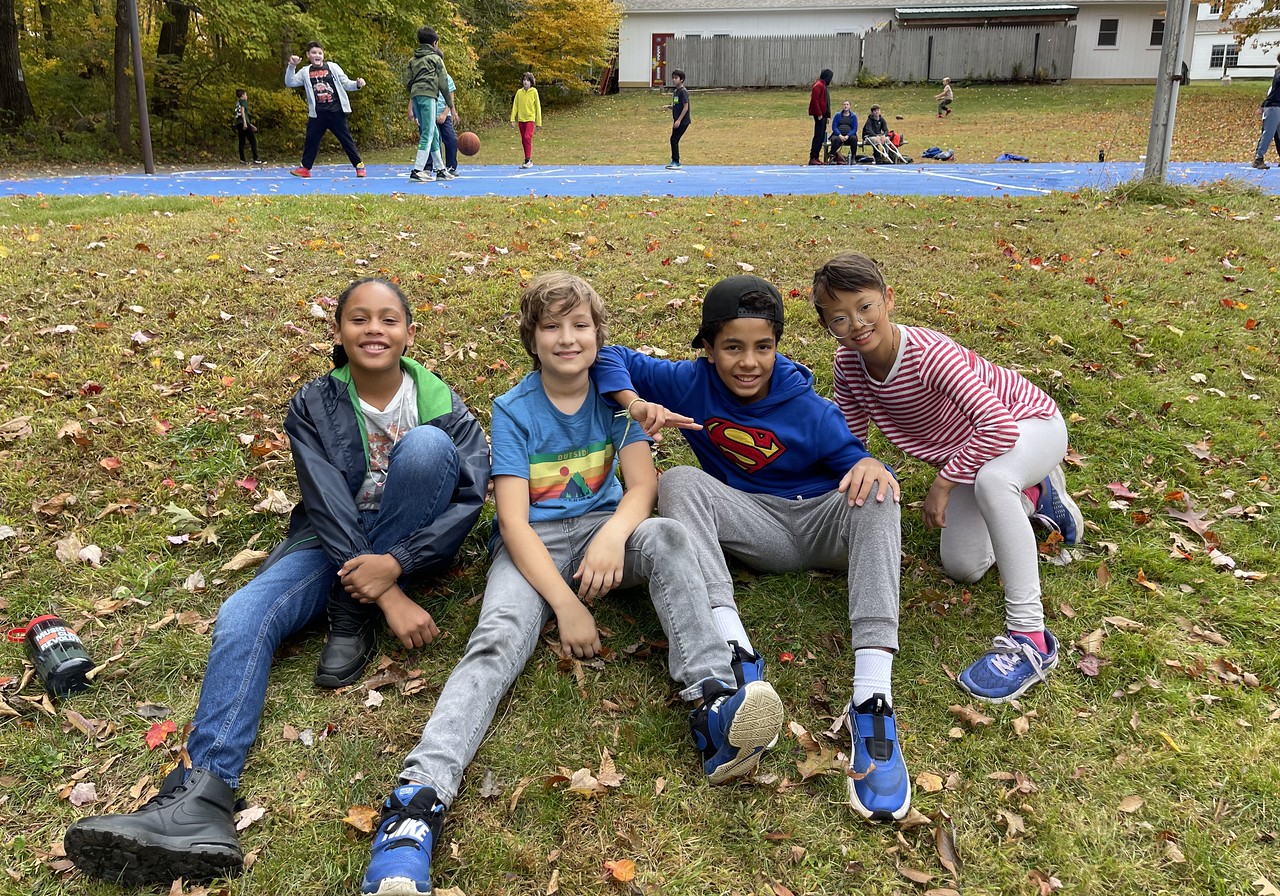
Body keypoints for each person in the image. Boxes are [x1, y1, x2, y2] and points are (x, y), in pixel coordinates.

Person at [358, 272, 784, 895]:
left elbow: (642, 487)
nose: (567, 338)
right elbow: (512, 520)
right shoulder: (513, 410)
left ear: (597, 335)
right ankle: (414, 809)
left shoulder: (619, 402)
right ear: (532, 338)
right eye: (552, 327)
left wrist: (613, 538)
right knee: (498, 638)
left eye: (580, 325)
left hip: (605, 535)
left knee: (668, 537)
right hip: (534, 548)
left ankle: (714, 704)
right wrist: (565, 606)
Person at [62, 279, 490, 886]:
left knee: (425, 449)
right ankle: (204, 795)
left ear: (408, 333)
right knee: (243, 612)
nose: (375, 329)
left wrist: (396, 567)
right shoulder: (314, 403)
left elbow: (468, 495)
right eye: (359, 318)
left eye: (389, 319)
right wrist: (384, 594)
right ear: (338, 333)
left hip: (410, 545)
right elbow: (325, 501)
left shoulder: (443, 402)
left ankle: (351, 616)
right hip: (328, 542)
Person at [592, 275, 912, 824]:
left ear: (777, 346)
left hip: (818, 522)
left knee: (879, 491)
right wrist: (636, 403)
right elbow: (607, 357)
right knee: (680, 483)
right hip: (753, 525)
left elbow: (852, 461)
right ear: (709, 348)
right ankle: (735, 650)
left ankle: (872, 700)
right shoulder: (689, 383)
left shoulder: (807, 407)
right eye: (732, 347)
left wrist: (866, 463)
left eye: (762, 347)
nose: (748, 361)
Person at [811, 253, 1085, 703]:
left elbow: (998, 426)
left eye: (865, 307)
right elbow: (851, 437)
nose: (857, 324)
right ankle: (1038, 496)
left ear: (888, 300)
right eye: (839, 318)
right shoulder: (848, 365)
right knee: (963, 566)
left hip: (1029, 426)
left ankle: (1031, 639)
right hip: (975, 456)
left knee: (995, 482)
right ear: (828, 326)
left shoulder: (929, 354)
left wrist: (943, 483)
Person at [285, 41, 367, 178]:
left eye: (319, 53)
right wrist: (292, 66)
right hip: (317, 114)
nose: (317, 55)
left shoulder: (332, 67)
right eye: (313, 53)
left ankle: (359, 166)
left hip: (336, 112)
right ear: (308, 55)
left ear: (323, 55)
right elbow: (290, 82)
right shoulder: (305, 71)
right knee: (311, 140)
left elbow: (346, 83)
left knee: (346, 140)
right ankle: (305, 168)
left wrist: (357, 84)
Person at [405, 27, 455, 182]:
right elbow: (444, 83)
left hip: (416, 95)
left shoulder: (413, 60)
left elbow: (407, 81)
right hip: (428, 96)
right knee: (428, 132)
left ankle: (440, 169)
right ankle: (417, 170)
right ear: (435, 43)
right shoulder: (436, 59)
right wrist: (450, 105)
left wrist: (414, 91)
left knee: (433, 131)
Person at [1251, 52, 1280, 170]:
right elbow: (1273, 93)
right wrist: (1263, 106)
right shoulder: (1279, 73)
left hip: (1276, 106)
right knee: (1268, 133)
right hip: (1273, 106)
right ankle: (1258, 158)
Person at [510, 71, 542, 169]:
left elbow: (537, 107)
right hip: (521, 120)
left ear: (531, 82)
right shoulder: (519, 92)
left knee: (528, 137)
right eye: (524, 80)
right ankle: (527, 159)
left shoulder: (534, 92)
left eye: (528, 80)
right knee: (524, 140)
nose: (525, 82)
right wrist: (512, 119)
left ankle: (528, 160)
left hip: (530, 119)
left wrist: (539, 122)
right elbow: (515, 106)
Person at [808, 68, 833, 165]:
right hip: (819, 115)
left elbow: (827, 102)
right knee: (818, 136)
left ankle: (816, 156)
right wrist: (819, 114)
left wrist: (827, 116)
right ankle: (813, 157)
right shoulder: (818, 86)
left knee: (821, 136)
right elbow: (815, 101)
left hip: (823, 115)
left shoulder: (823, 86)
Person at [667, 68, 690, 170]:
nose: (674, 80)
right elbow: (677, 105)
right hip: (676, 120)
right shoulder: (676, 91)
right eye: (673, 78)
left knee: (674, 139)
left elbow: (685, 107)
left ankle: (676, 162)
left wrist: (679, 120)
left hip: (683, 121)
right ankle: (674, 160)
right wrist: (670, 107)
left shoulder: (683, 92)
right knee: (673, 139)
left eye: (676, 78)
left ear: (681, 79)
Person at [437, 71, 459, 175]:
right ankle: (437, 167)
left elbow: (450, 97)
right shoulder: (427, 77)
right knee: (434, 141)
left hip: (444, 113)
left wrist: (446, 114)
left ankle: (451, 167)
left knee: (451, 139)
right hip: (431, 114)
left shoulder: (446, 78)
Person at [232, 89, 263, 165]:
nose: (246, 96)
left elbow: (240, 114)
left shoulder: (237, 103)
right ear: (242, 95)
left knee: (242, 141)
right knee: (253, 140)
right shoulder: (243, 102)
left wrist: (251, 125)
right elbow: (242, 112)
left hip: (238, 123)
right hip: (243, 123)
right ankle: (256, 158)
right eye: (245, 94)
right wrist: (245, 123)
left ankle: (242, 159)